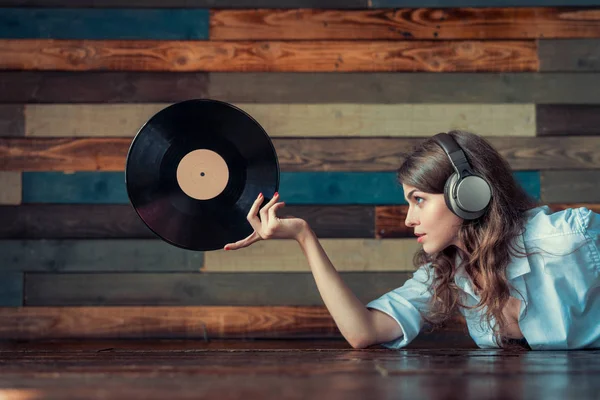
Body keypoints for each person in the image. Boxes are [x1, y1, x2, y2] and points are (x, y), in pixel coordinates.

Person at [223, 130, 600, 351]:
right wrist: (304, 237)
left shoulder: (570, 237)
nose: (408, 219)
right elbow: (363, 332)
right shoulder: (449, 273)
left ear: (469, 194)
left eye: (419, 199)